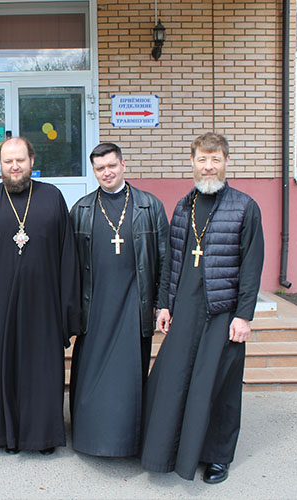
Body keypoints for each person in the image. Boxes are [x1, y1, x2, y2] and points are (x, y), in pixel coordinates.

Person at [140, 132, 264, 483]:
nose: (209, 166)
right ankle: (168, 450)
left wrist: (244, 315)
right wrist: (163, 305)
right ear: (192, 162)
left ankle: (217, 458)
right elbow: (170, 261)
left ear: (226, 162)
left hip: (222, 312)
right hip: (185, 309)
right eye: (202, 160)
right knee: (173, 381)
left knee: (217, 386)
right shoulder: (183, 206)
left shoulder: (244, 207)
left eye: (216, 159)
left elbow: (252, 265)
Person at [0, 136, 80, 455]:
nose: (14, 166)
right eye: (7, 161)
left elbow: (66, 255)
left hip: (44, 304)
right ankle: (5, 437)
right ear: (0, 165)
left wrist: (65, 307)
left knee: (43, 370)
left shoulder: (53, 197)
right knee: (4, 369)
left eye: (20, 160)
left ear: (32, 160)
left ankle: (43, 437)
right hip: (1, 305)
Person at [69, 142, 169, 457]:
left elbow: (166, 259)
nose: (107, 173)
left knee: (128, 377)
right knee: (91, 374)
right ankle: (89, 438)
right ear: (94, 171)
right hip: (95, 305)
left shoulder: (149, 206)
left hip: (134, 302)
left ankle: (128, 441)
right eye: (100, 168)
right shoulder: (82, 209)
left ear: (123, 165)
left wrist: (163, 302)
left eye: (112, 166)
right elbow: (70, 267)